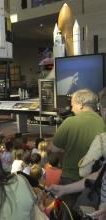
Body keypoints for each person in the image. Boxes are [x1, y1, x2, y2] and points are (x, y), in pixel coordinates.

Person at [50, 89, 106, 220]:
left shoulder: (70, 122)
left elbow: (53, 148)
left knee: (68, 215)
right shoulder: (101, 124)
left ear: (81, 104)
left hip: (71, 177)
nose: (72, 108)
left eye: (73, 104)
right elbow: (102, 172)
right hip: (95, 187)